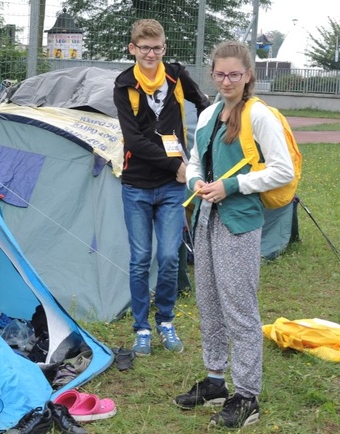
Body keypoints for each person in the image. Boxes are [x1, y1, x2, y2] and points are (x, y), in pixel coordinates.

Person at [173, 40, 294, 428]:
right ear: (212, 75)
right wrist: (196, 180)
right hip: (206, 218)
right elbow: (195, 160)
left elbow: (283, 170)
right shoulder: (209, 114)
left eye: (235, 75)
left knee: (239, 309)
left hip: (239, 221)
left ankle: (247, 395)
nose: (227, 81)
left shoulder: (260, 117)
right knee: (208, 302)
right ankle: (215, 381)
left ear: (248, 77)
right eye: (220, 74)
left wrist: (233, 186)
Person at [113, 19, 210, 356]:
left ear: (164, 48)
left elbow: (205, 105)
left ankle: (165, 321)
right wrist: (177, 165)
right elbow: (135, 141)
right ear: (132, 49)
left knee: (169, 257)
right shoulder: (124, 84)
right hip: (137, 185)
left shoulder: (177, 75)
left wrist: (206, 148)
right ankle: (141, 328)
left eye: (156, 48)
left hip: (171, 187)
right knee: (140, 259)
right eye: (144, 48)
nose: (150, 54)